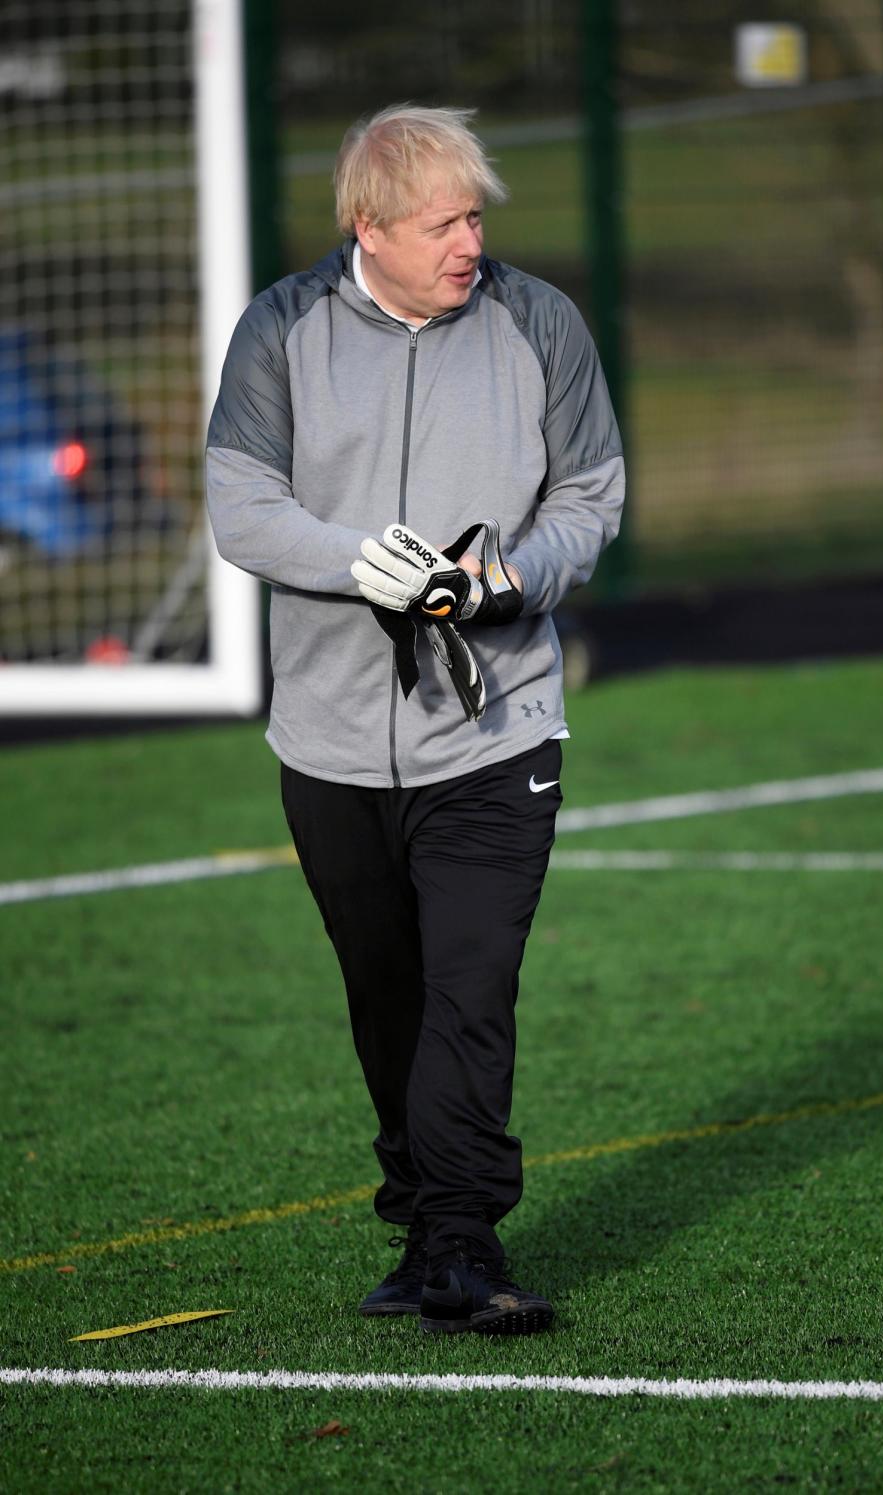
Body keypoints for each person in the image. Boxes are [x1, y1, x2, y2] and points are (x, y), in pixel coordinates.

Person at [205, 104, 624, 1335]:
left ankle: (463, 1241)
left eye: (477, 214)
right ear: (367, 228)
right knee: (384, 992)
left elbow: (592, 493)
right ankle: (420, 1209)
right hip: (328, 744)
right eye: (443, 221)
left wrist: (510, 578)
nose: (469, 241)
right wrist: (364, 563)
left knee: (469, 986)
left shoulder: (538, 318)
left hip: (499, 738)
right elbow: (243, 509)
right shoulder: (279, 328)